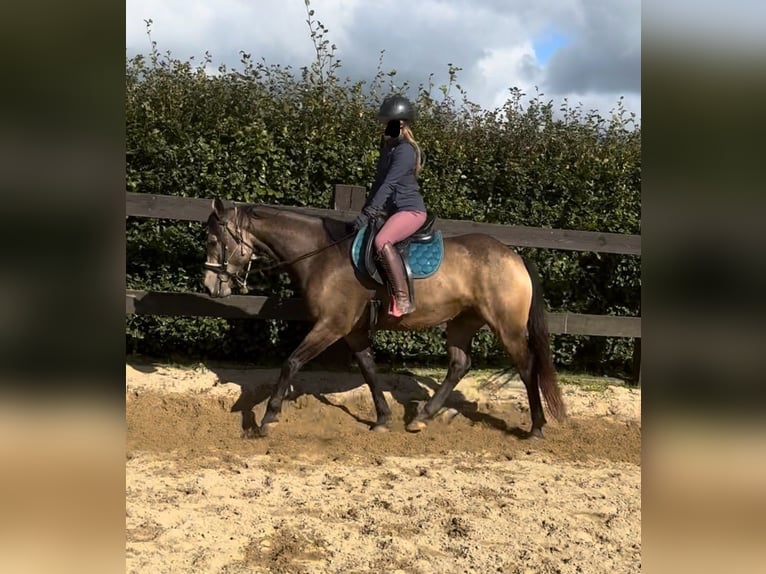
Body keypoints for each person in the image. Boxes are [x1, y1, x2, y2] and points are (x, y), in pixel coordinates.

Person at [353, 95, 427, 317]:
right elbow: (377, 183)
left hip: (410, 211)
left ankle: (403, 299)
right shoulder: (389, 149)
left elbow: (389, 184)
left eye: (389, 123)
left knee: (382, 240)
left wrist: (369, 212)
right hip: (394, 211)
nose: (385, 127)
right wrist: (365, 212)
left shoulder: (406, 150)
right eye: (385, 123)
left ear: (401, 124)